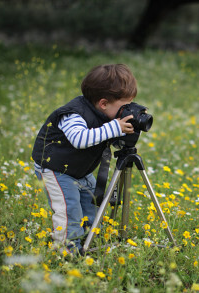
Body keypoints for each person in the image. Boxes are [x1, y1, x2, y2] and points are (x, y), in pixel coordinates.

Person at [31, 64, 136, 255]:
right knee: (69, 209)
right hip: (56, 170)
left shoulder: (104, 114)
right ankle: (67, 250)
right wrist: (114, 127)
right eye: (123, 107)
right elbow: (80, 140)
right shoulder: (73, 114)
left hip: (80, 170)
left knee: (91, 204)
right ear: (103, 103)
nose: (126, 112)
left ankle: (88, 241)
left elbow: (103, 136)